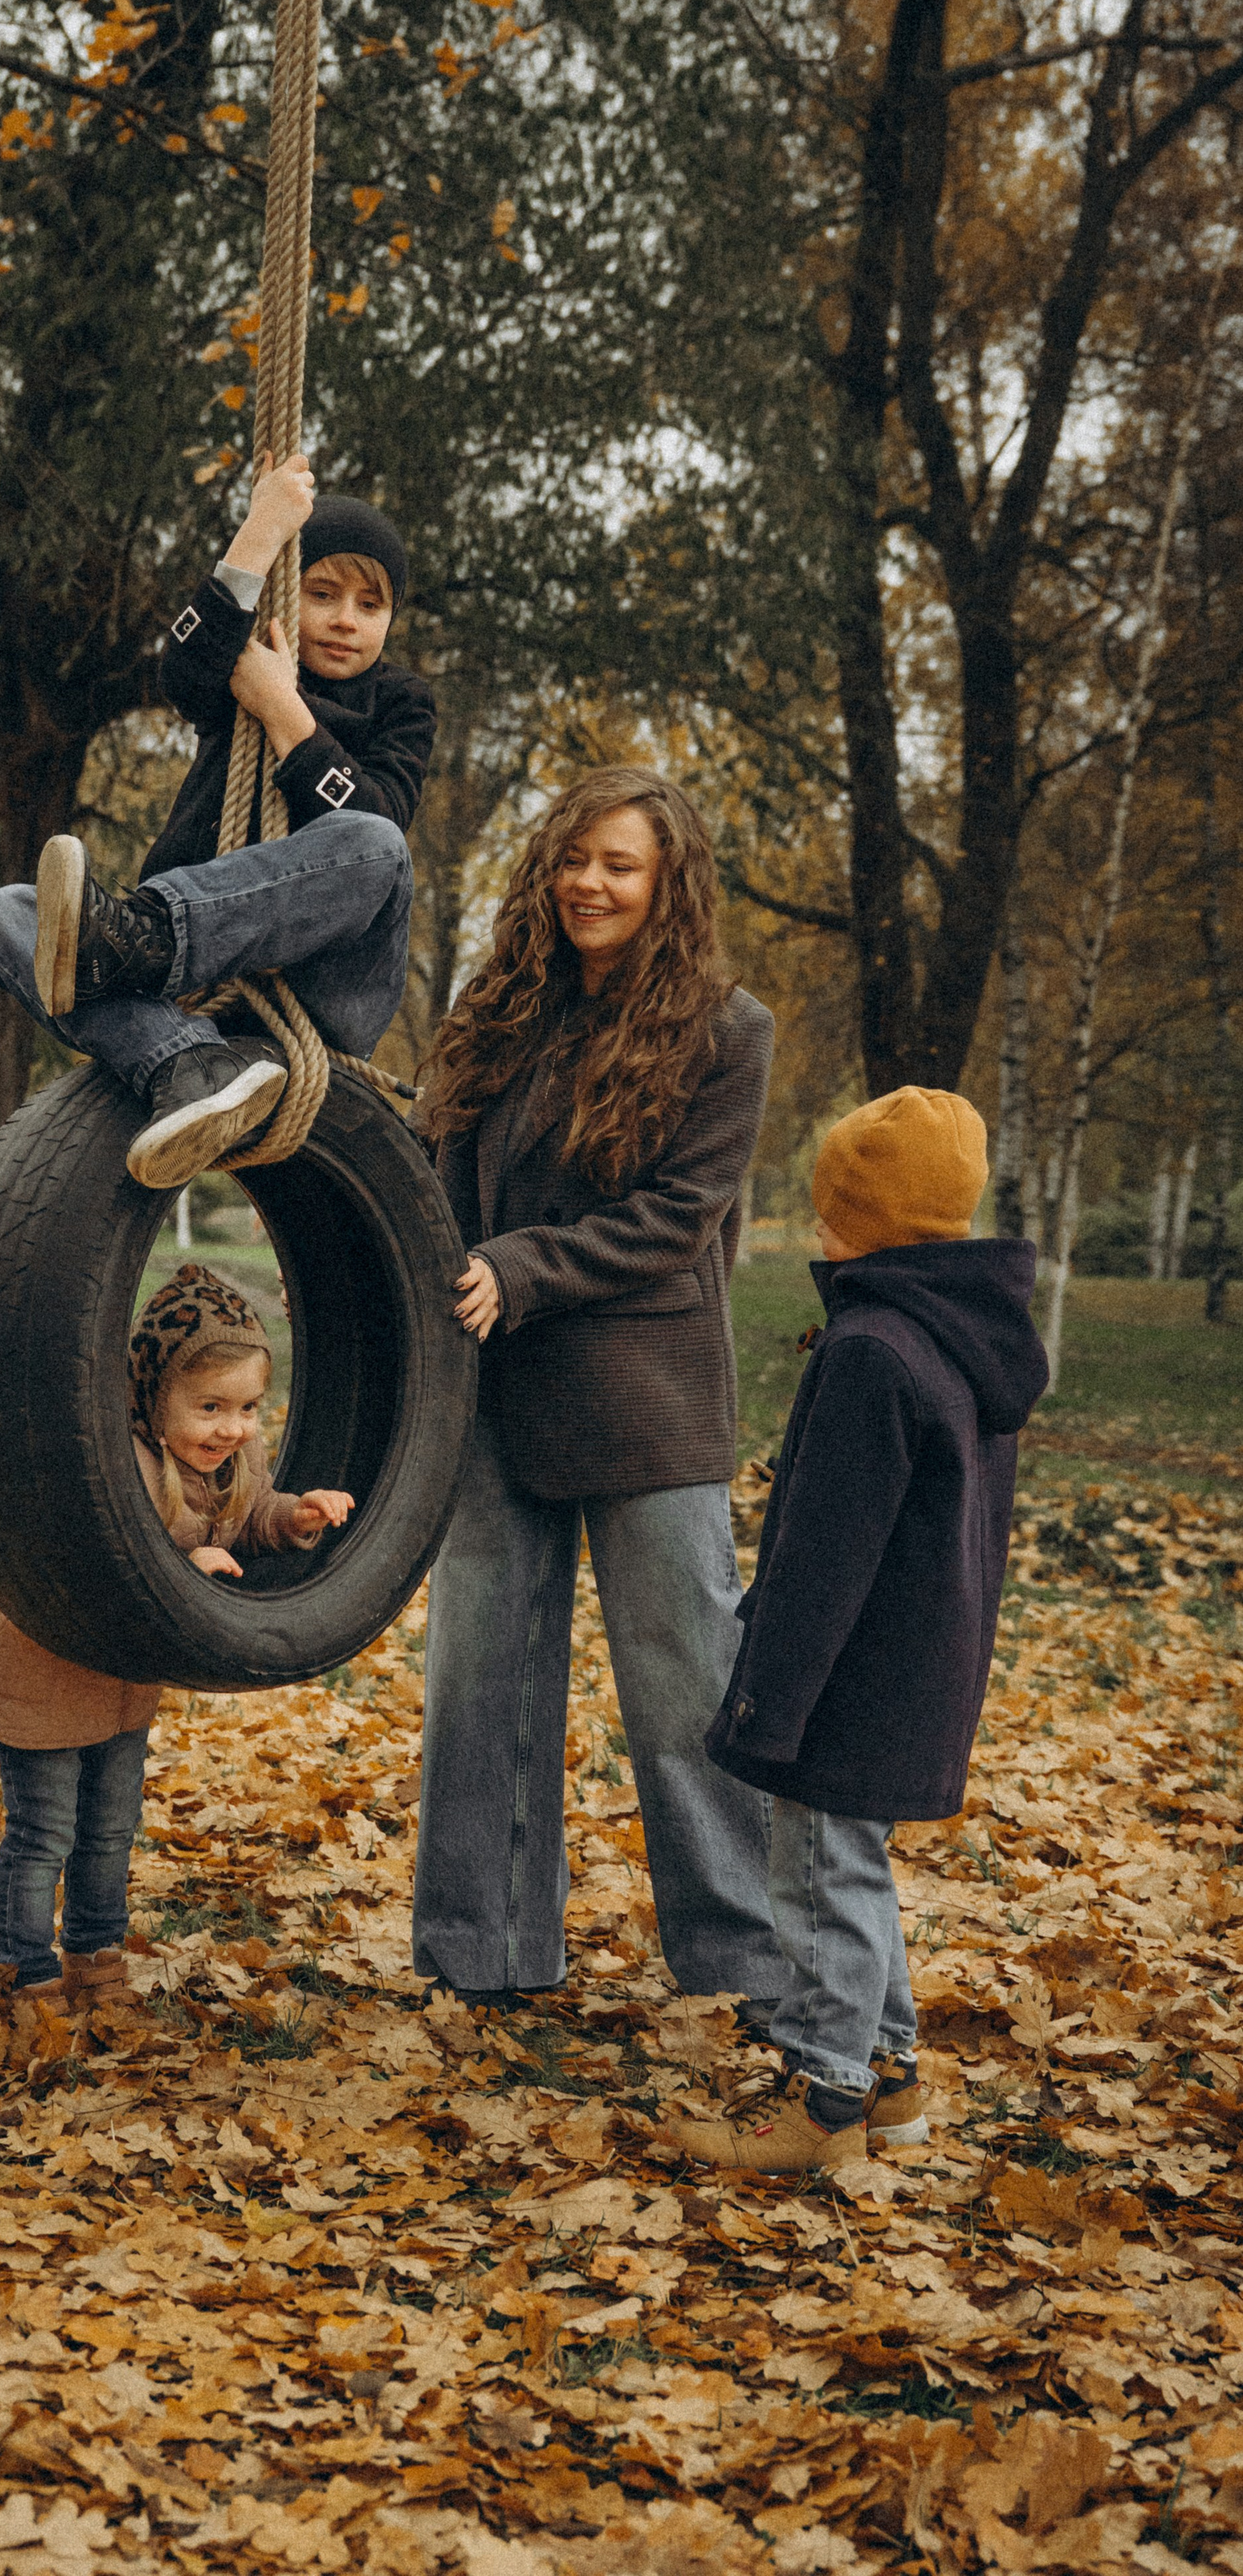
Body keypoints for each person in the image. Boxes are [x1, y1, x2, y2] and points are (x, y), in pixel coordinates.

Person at [412, 765, 786, 2015]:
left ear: (668, 882)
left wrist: (518, 1269)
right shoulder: (497, 1005)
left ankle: (738, 1965)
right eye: (576, 859)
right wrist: (386, 1272)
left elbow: (680, 1220)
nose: (590, 884)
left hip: (645, 1399)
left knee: (685, 1692)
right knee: (481, 1685)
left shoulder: (729, 1031)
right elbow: (430, 1171)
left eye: (620, 865)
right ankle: (484, 1954)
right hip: (489, 1395)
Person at [673, 1089, 1049, 2171]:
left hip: (849, 1671)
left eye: (833, 1204)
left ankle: (826, 2100)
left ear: (866, 1219)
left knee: (820, 1875)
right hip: (918, 1666)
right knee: (856, 1868)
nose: (820, 1225)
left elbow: (824, 1555)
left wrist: (768, 1695)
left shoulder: (874, 1350)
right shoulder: (965, 1339)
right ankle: (889, 2075)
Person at [0, 455, 436, 1189]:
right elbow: (182, 669)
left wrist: (283, 709)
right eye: (323, 593)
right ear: (293, 595)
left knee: (375, 845)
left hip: (324, 991)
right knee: (1, 914)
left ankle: (147, 939)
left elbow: (376, 819)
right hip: (191, 997)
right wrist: (260, 533)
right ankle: (184, 1062)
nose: (347, 620)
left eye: (370, 606)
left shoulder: (401, 701)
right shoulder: (244, 657)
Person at [0, 1263, 352, 2007]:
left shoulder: (232, 1458)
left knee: (109, 1830)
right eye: (208, 1406)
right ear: (151, 1394)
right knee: (43, 1834)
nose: (230, 1427)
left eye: (247, 1407)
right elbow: (98, 1556)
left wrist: (294, 1517)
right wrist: (179, 1564)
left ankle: (96, 1960)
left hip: (126, 1681)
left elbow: (249, 1517)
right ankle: (24, 1972)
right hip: (45, 1667)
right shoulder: (112, 1463)